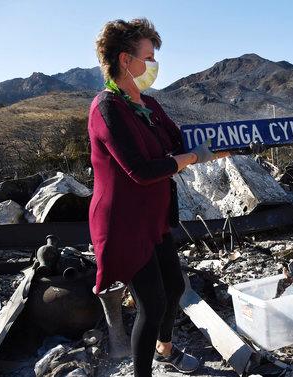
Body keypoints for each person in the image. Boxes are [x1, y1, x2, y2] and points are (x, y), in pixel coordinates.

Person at [89, 18, 226, 377]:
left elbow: (178, 141)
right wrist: (188, 159)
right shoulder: (106, 109)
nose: (154, 65)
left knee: (175, 285)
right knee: (151, 304)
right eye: (148, 56)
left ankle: (166, 349)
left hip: (154, 217)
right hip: (124, 223)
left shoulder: (148, 104)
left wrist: (215, 146)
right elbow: (140, 169)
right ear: (124, 60)